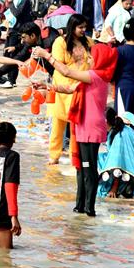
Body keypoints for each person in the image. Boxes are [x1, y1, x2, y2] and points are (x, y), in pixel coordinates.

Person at [34, 42, 118, 217]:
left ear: (100, 58)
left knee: (89, 167)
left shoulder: (96, 76)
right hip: (81, 124)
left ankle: (90, 208)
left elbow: (66, 72)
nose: (90, 58)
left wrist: (46, 55)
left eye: (93, 55)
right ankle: (80, 205)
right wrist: (46, 86)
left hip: (90, 126)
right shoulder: (92, 77)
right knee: (80, 166)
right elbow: (69, 87)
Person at [46, 14, 92, 164]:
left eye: (85, 27)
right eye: (80, 27)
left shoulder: (88, 42)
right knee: (58, 123)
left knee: (76, 124)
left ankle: (75, 156)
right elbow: (58, 65)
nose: (83, 30)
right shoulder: (60, 42)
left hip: (80, 87)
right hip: (62, 86)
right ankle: (54, 155)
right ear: (72, 27)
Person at [98, 109, 134, 199]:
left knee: (97, 160)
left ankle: (125, 186)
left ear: (106, 122)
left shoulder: (120, 136)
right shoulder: (121, 128)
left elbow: (117, 162)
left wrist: (114, 188)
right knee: (100, 157)